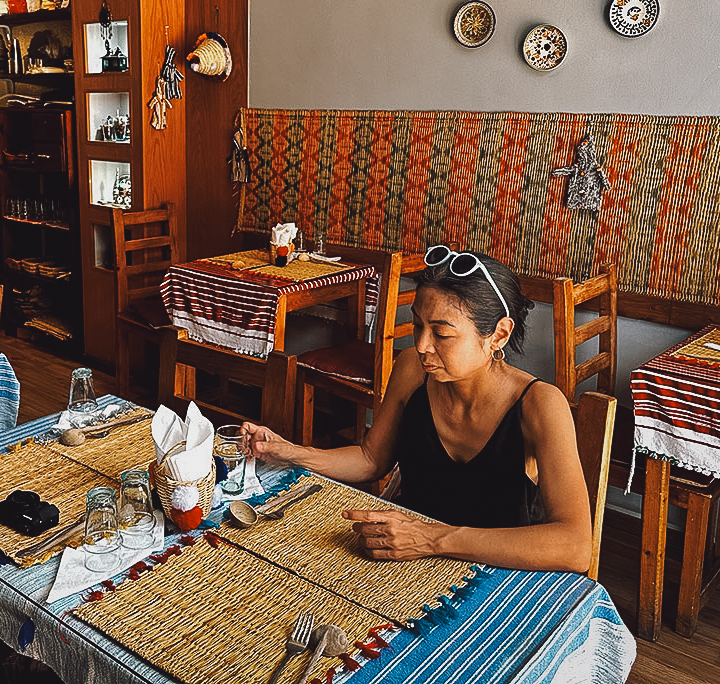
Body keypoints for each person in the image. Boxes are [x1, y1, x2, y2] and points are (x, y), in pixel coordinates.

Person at [241, 245, 592, 573]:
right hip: (403, 563)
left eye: (441, 333)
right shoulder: (411, 368)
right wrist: (292, 453)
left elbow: (575, 546)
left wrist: (431, 538)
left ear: (498, 335)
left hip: (492, 575)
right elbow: (371, 459)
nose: (422, 345)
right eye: (419, 325)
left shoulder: (539, 404)